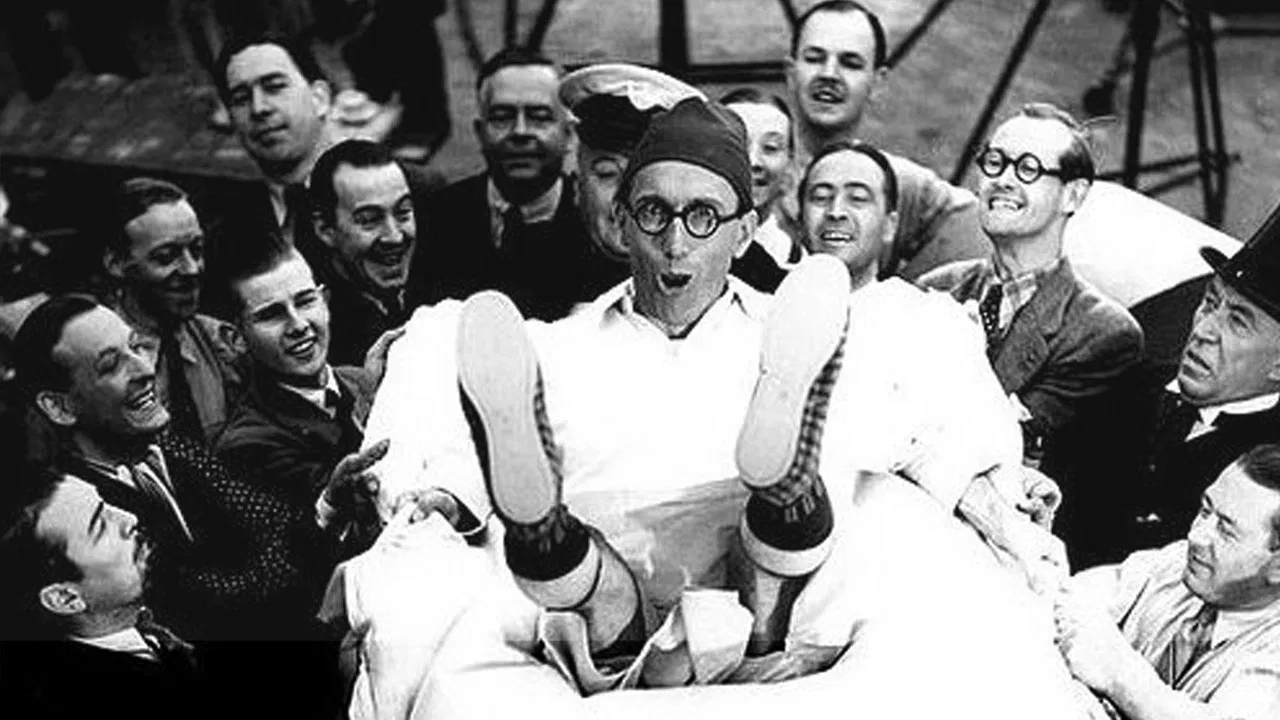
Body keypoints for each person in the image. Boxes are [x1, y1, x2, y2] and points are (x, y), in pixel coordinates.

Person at [354, 99, 1074, 712]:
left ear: (745, 230)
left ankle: (782, 488)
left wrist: (996, 500)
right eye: (654, 213)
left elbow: (921, 428)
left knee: (783, 546)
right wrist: (440, 498)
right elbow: (453, 436)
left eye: (702, 216)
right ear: (622, 222)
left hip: (761, 596)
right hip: (606, 599)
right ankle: (546, 533)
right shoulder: (553, 349)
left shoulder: (803, 332)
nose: (675, 242)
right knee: (590, 580)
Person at [11, 295, 335, 639]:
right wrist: (309, 536)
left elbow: (278, 523)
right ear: (59, 407)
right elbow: (219, 606)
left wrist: (329, 505)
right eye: (111, 365)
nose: (145, 370)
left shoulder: (171, 447)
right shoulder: (79, 514)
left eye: (137, 347)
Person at [918, 104, 1143, 457]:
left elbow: (1000, 444)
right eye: (995, 162)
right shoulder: (935, 287)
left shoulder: (1102, 334)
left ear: (1073, 195)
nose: (1003, 180)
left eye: (1028, 169)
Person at [214, 238, 425, 557]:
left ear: (325, 302)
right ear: (236, 339)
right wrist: (371, 409)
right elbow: (335, 535)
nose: (298, 324)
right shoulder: (245, 446)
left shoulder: (358, 381)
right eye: (272, 315)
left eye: (305, 301)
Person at [1054, 444, 1280, 720]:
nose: (1196, 536)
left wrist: (1120, 677)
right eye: (1205, 510)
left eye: (1225, 530)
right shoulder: (1182, 564)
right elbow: (1074, 594)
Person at [780, 0, 984, 279]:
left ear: (877, 82)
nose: (829, 74)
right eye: (814, 58)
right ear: (791, 73)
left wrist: (908, 294)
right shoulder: (752, 166)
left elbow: (979, 224)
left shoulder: (901, 184)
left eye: (850, 64)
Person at [1123, 200, 1280, 554]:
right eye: (1210, 302)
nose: (1203, 330)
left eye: (1238, 321)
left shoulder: (1269, 468)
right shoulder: (1130, 380)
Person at [0, 470, 219, 718]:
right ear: (65, 598)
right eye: (100, 526)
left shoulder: (156, 623)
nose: (129, 518)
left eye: (106, 505)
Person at [405, 48, 594, 321]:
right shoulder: (435, 220)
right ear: (480, 132)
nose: (520, 132)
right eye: (502, 117)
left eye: (539, 117)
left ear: (569, 134)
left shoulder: (594, 226)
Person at [102, 177, 248, 443]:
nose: (191, 269)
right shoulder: (97, 359)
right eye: (166, 257)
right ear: (116, 263)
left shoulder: (220, 344)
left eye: (197, 250)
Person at [556, 63, 703, 303]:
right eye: (607, 173)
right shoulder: (526, 269)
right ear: (576, 185)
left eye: (649, 178)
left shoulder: (730, 273)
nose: (626, 197)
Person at [211, 32, 336, 285]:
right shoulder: (226, 241)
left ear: (319, 98)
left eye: (275, 87)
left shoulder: (404, 192)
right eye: (241, 99)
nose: (259, 108)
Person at [308, 139, 416, 365]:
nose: (394, 236)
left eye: (403, 212)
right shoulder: (319, 336)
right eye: (369, 220)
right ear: (325, 229)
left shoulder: (445, 283)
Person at [723, 88, 802, 293]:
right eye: (738, 144)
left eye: (770, 148)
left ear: (790, 165)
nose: (753, 162)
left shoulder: (800, 267)